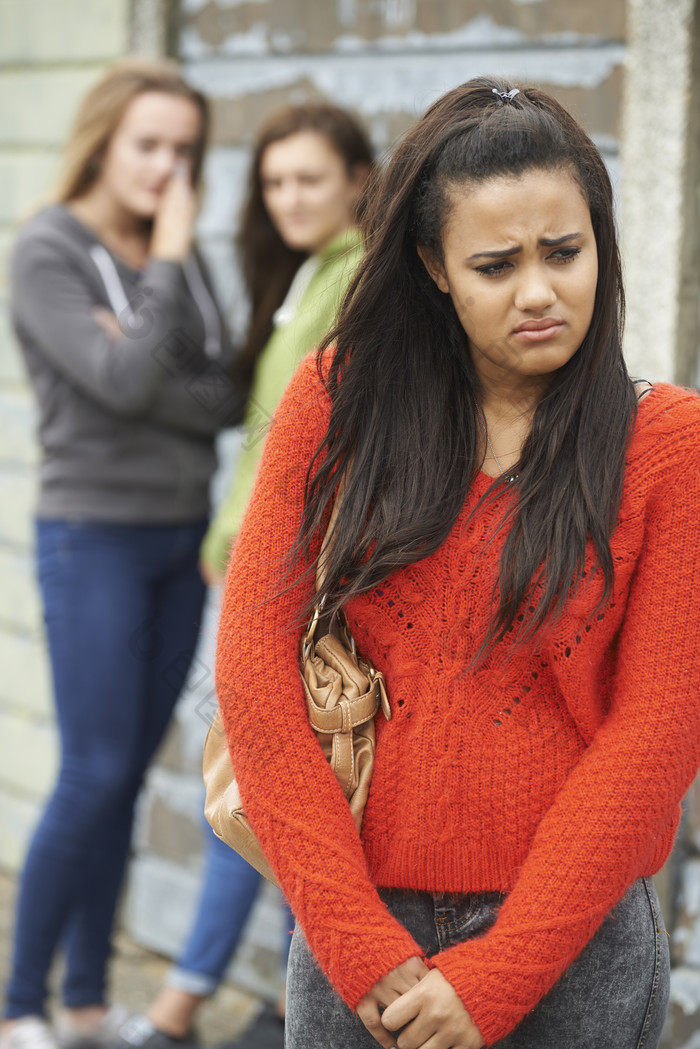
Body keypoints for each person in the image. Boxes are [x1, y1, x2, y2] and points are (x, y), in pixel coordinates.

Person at [214, 76, 700, 1049]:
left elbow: (655, 732)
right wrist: (358, 943)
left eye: (565, 252)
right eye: (494, 263)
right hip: (358, 935)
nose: (538, 290)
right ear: (434, 264)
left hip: (573, 948)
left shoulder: (666, 444)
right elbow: (252, 676)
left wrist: (502, 967)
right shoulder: (335, 402)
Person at [110, 103, 373, 1049]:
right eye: (273, 182)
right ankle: (243, 996)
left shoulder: (354, 280)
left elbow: (320, 453)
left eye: (310, 178)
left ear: (358, 180)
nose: (290, 197)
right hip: (252, 569)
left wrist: (266, 557)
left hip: (289, 581)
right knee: (265, 788)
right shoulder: (306, 275)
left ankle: (185, 1003)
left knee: (259, 788)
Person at [1, 59, 243, 1049]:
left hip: (177, 541)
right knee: (94, 769)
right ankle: (21, 1001)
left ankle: (91, 999)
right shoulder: (47, 248)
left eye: (186, 150)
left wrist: (146, 353)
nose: (168, 168)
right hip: (91, 536)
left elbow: (220, 394)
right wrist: (169, 271)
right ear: (103, 140)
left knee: (129, 775)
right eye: (150, 145)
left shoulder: (165, 256)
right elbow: (121, 378)